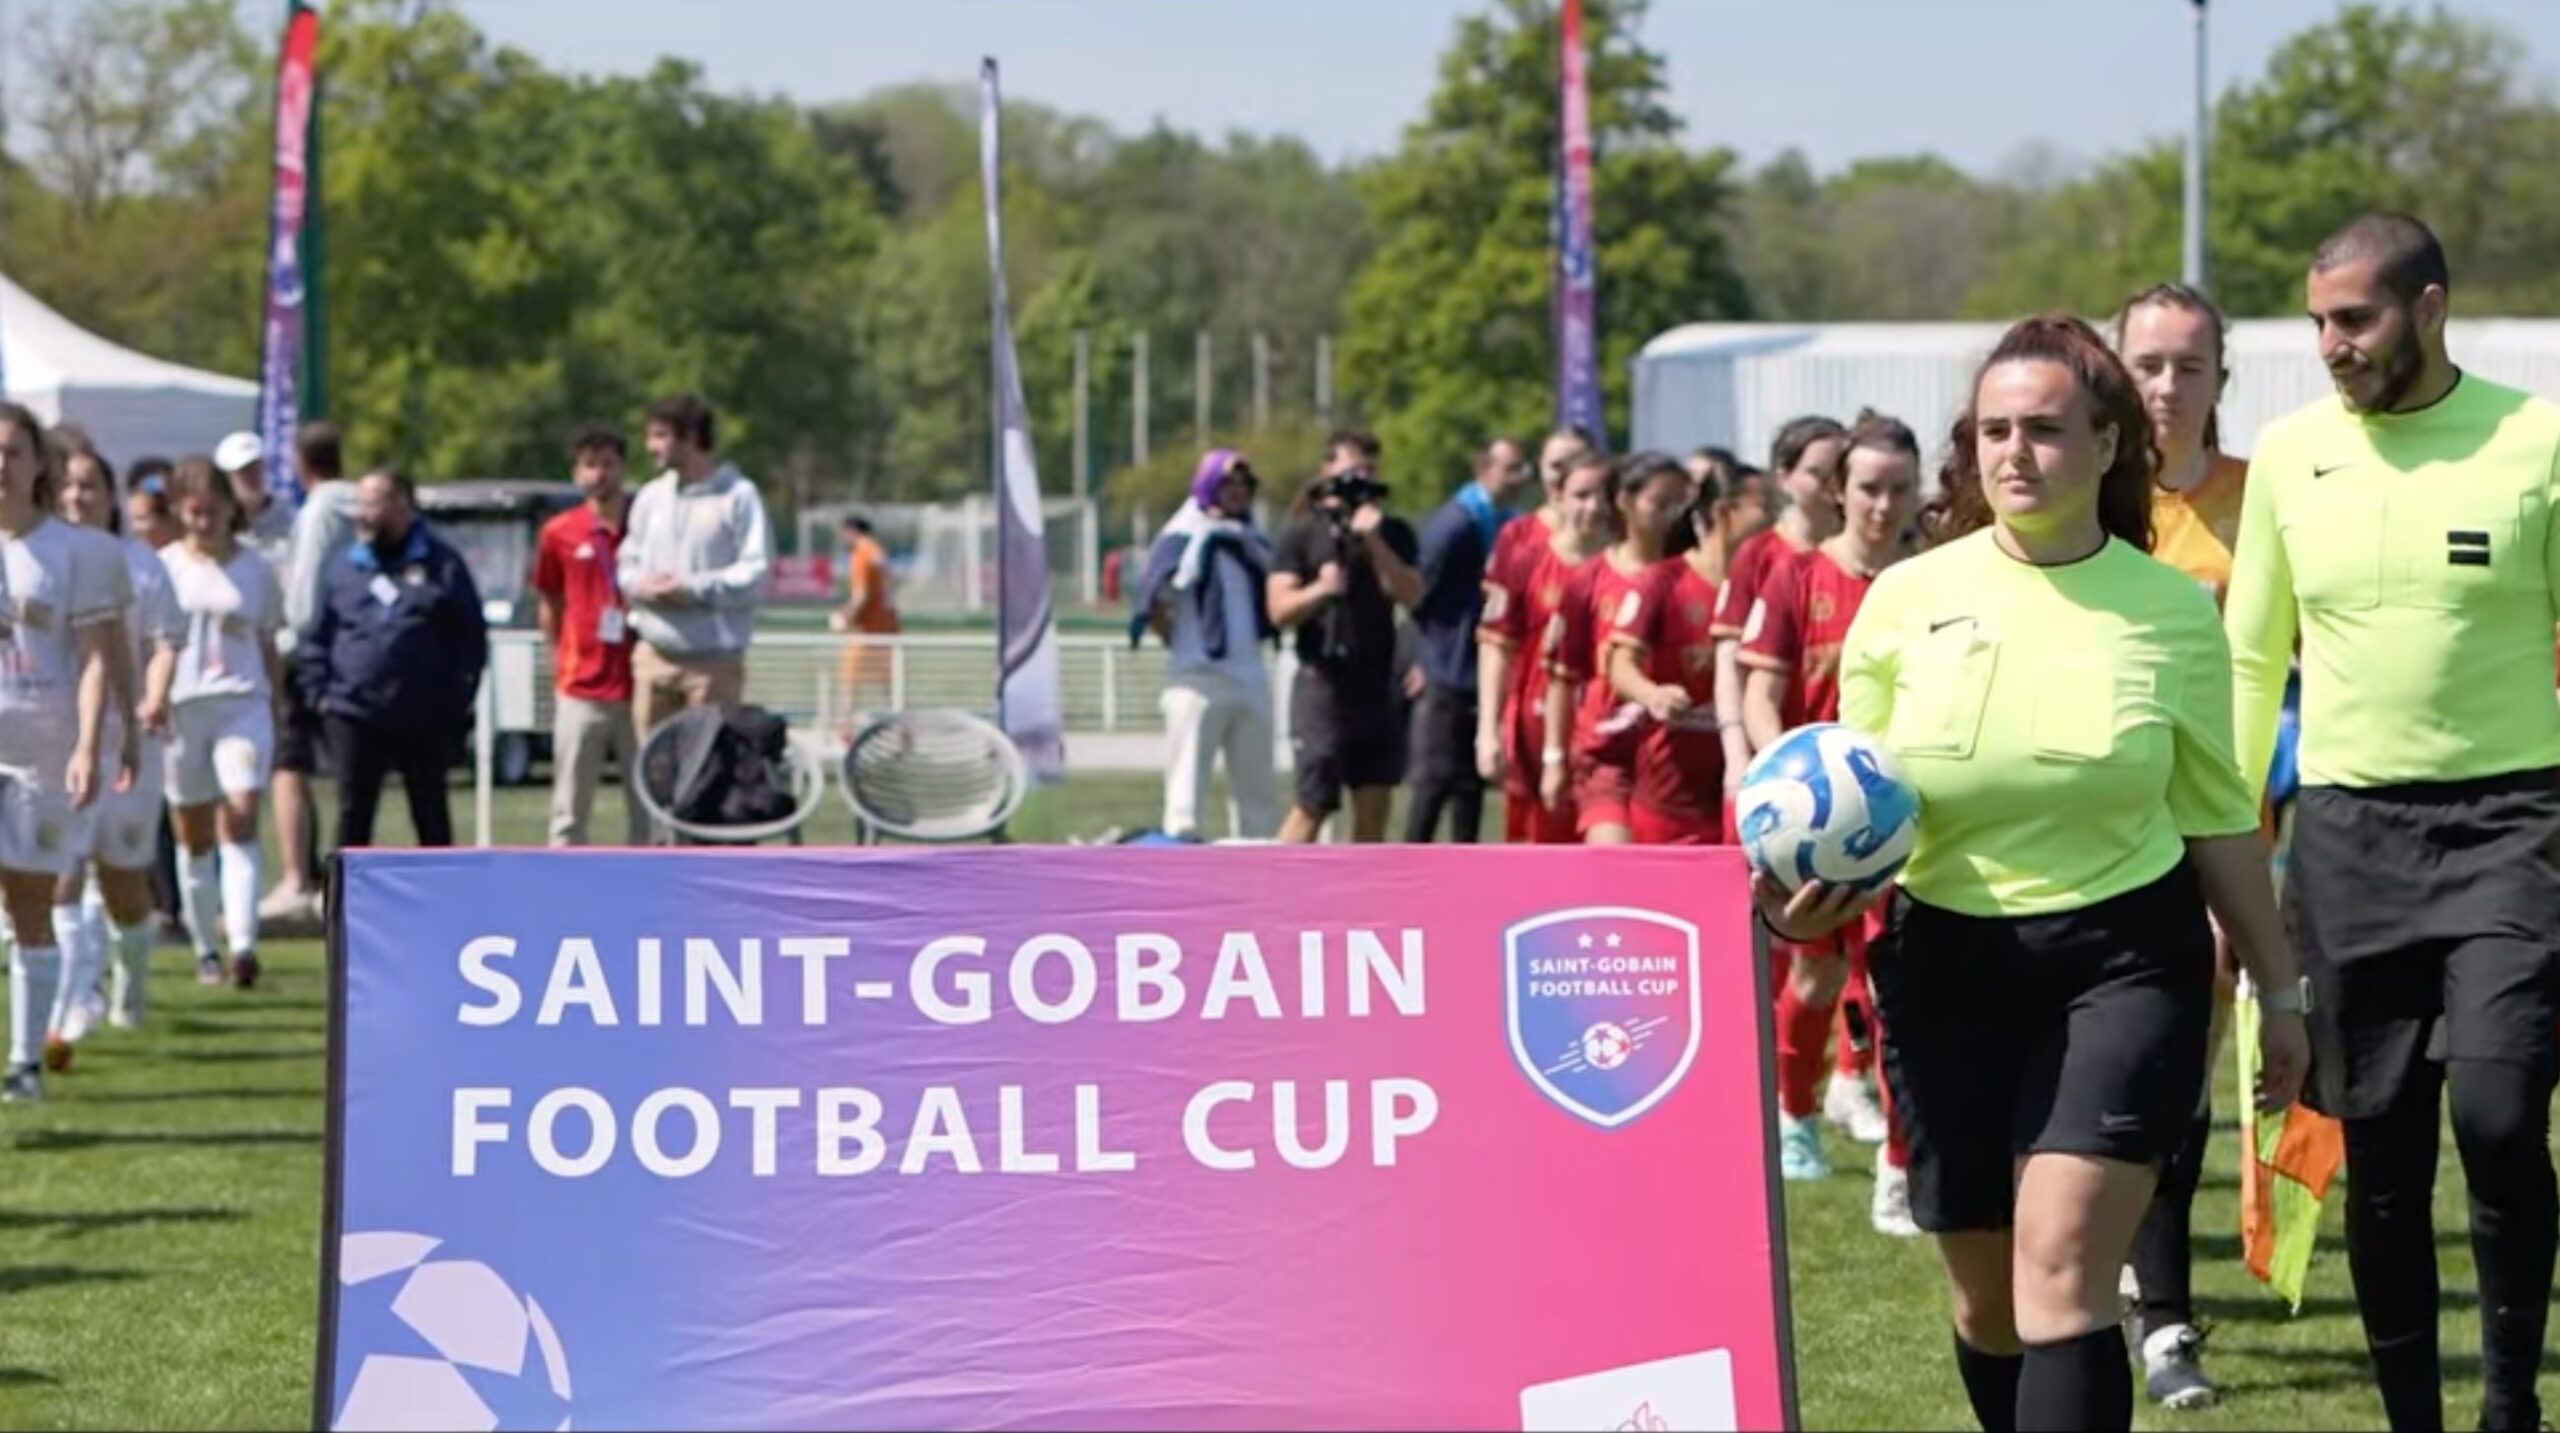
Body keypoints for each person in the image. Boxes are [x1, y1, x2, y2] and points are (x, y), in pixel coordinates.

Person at [1764, 314, 2307, 1433]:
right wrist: (1802, 903)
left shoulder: (2172, 609)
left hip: (2123, 963)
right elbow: (1855, 806)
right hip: (1943, 964)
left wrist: (2280, 990)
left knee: (2059, 1270)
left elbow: (2217, 819)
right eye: (1995, 430)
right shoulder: (1904, 599)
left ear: (2107, 445)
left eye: (2046, 429)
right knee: (1989, 1302)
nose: (2016, 452)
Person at [2226, 213, 2560, 1433]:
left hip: (2513, 827)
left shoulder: (2537, 439)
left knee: (2500, 1117)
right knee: (2380, 1163)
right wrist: (2225, 849)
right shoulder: (2288, 454)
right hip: (2347, 842)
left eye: (2355, 318)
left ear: (2428, 307)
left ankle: (2511, 1405)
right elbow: (2248, 659)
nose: (2331, 343)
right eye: (2318, 321)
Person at [2111, 280, 2250, 1410]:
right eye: (2146, 364)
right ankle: (2135, 1287)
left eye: (2187, 365)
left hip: (2219, 824)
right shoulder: (2083, 499)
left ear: (2219, 379)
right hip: (2097, 828)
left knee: (2184, 1078)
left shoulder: (2260, 499)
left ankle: (2158, 1314)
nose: (2165, 385)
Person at [1738, 410, 1923, 1209]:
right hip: (1813, 835)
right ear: (1840, 490)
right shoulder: (1796, 576)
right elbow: (1761, 691)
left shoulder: (1930, 583)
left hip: (1903, 830)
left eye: (1900, 489)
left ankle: (1899, 1168)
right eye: (1869, 487)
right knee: (1816, 973)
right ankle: (1795, 1117)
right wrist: (1789, 783)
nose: (1884, 505)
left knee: (1897, 995)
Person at [0, 406, 129, 1101]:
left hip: (40, 750)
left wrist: (87, 743)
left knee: (31, 902)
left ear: (37, 465)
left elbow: (94, 658)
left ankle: (25, 1062)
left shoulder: (72, 553)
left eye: (12, 451)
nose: (1, 464)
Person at [46, 446, 182, 1046]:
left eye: (89, 486)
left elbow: (164, 643)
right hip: (58, 741)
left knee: (125, 887)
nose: (77, 496)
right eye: (68, 485)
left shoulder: (143, 566)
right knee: (62, 876)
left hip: (127, 740)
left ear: (111, 497)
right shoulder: (41, 559)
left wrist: (152, 699)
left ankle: (130, 977)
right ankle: (74, 1001)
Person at [299, 470, 488, 853]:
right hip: (353, 713)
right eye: (360, 503)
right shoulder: (344, 565)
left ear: (403, 505)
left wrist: (455, 700)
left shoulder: (442, 564)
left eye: (373, 504)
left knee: (431, 815)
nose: (362, 513)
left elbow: (469, 637)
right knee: (353, 815)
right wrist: (319, 695)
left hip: (422, 716)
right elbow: (318, 633)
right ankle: (345, 892)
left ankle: (439, 889)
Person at [160, 457, 285, 991]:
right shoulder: (165, 567)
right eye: (194, 511)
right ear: (178, 511)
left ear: (231, 508)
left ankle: (243, 944)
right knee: (193, 836)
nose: (204, 520)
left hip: (241, 703)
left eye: (213, 509)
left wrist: (277, 704)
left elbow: (268, 641)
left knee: (239, 817)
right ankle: (204, 948)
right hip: (182, 706)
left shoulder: (255, 568)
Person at [1269, 432, 1421, 843]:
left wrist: (1373, 540)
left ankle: (1361, 885)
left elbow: (1409, 593)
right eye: (1352, 469)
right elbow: (1278, 609)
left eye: (1369, 470)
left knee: (1375, 803)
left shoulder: (1393, 531)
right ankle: (1275, 878)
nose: (1361, 478)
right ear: (1328, 471)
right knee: (1314, 802)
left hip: (1376, 684)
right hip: (1324, 684)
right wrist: (1320, 590)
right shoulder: (1302, 532)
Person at [1542, 454, 1696, 845]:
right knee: (1614, 863)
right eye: (1660, 503)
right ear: (1625, 501)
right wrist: (1553, 757)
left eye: (1679, 503)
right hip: (1607, 752)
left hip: (1676, 757)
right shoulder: (1587, 581)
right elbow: (1563, 677)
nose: (1672, 515)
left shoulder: (1692, 576)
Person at [1130, 449, 1280, 841]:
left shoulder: (1250, 540)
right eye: (1228, 482)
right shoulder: (1183, 537)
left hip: (1249, 673)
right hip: (1198, 679)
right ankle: (1182, 859)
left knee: (1258, 793)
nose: (1237, 491)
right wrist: (1178, 643)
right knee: (1186, 792)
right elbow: (1153, 598)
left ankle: (1257, 863)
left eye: (1244, 484)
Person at [1713, 418, 1848, 838]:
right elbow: (1729, 662)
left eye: (1838, 474)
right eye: (1816, 474)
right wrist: (1737, 755)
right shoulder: (1759, 555)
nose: (1829, 487)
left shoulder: (1865, 557)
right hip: (1777, 757)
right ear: (1784, 476)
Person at [1404, 437, 1537, 843]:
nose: (1519, 478)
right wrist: (1422, 656)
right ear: (1483, 469)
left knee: (1470, 784)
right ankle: (1408, 865)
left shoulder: (1509, 523)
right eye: (1509, 469)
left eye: (1521, 469)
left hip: (1478, 666)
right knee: (1434, 780)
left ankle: (1465, 871)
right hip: (1445, 666)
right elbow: (1418, 594)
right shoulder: (1455, 525)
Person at [618, 393, 772, 741]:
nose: (650, 446)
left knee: (707, 766)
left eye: (660, 436)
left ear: (690, 438)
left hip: (712, 665)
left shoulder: (738, 496)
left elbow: (755, 572)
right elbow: (627, 563)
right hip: (653, 658)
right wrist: (641, 585)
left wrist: (692, 589)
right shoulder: (650, 497)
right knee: (653, 768)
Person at [1602, 456, 1739, 846]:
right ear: (1723, 512)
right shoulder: (1662, 582)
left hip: (1741, 788)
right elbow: (1619, 663)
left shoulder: (1767, 583)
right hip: (1670, 791)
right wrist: (1652, 694)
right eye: (1763, 508)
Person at [1477, 450, 1611, 844]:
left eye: (1603, 495)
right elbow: (1496, 647)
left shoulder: (1630, 565)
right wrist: (1487, 730)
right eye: (1582, 495)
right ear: (1558, 497)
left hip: (1606, 730)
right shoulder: (1527, 560)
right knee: (1538, 846)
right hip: (1535, 726)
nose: (1594, 506)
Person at [535, 425, 644, 848]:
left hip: (641, 682)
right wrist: (557, 656)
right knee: (569, 806)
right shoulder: (560, 531)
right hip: (581, 685)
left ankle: (649, 881)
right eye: (590, 465)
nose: (599, 474)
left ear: (623, 468)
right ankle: (563, 881)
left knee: (648, 804)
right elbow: (550, 600)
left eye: (608, 464)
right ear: (576, 472)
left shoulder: (645, 524)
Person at [262, 422, 354, 922]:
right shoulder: (359, 502)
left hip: (313, 654)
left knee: (289, 764)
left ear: (300, 461)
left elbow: (305, 590)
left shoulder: (320, 511)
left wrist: (286, 641)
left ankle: (298, 877)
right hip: (350, 651)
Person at [831, 513, 902, 718]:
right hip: (888, 625)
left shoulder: (861, 555)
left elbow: (861, 595)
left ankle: (845, 725)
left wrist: (845, 616)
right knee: (889, 681)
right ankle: (902, 725)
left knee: (850, 678)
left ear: (852, 531)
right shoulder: (878, 553)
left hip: (866, 629)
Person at [215, 430, 296, 572]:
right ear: (227, 478)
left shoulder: (290, 516)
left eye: (256, 467)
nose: (252, 476)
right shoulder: (219, 522)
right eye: (243, 470)